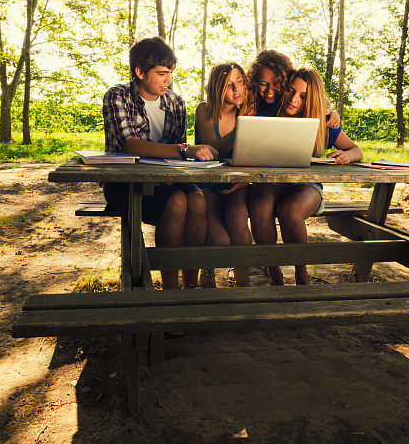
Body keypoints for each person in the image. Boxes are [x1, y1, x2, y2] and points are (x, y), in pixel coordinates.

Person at [102, 37, 217, 290]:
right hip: (126, 184)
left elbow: (176, 152)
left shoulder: (175, 103)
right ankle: (169, 290)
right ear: (140, 72)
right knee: (176, 200)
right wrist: (183, 150)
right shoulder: (117, 96)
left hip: (167, 178)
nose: (169, 80)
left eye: (171, 73)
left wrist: (182, 157)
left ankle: (190, 287)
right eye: (162, 74)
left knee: (198, 200)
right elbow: (129, 144)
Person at [249, 67, 362, 285]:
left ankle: (302, 275)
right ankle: (274, 275)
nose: (293, 99)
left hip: (307, 187)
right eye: (291, 91)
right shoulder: (269, 114)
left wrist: (347, 155)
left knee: (290, 211)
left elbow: (357, 150)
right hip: (271, 183)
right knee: (260, 206)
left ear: (311, 100)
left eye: (303, 96)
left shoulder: (322, 123)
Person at [194, 62, 252, 286]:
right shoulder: (204, 110)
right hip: (209, 185)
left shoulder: (247, 112)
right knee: (220, 240)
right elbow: (213, 146)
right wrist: (246, 128)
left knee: (238, 218)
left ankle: (243, 282)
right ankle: (206, 275)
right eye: (229, 85)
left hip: (239, 184)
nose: (237, 90)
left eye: (240, 82)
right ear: (218, 88)